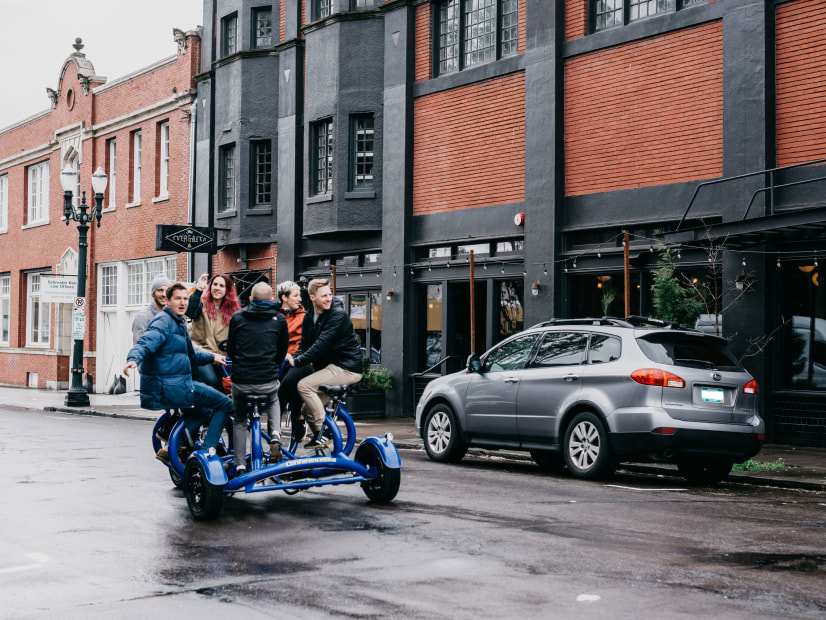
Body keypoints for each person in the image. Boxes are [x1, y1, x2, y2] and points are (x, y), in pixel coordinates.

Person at [124, 282, 234, 459]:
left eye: (185, 299)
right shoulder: (163, 322)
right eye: (178, 299)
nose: (183, 303)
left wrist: (213, 357)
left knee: (205, 411)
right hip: (173, 384)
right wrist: (133, 359)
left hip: (175, 382)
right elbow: (146, 342)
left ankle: (172, 447)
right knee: (226, 404)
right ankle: (208, 451)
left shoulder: (178, 322)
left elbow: (189, 356)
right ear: (168, 301)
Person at [286, 278, 363, 448]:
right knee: (307, 410)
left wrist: (296, 362)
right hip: (330, 368)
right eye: (324, 296)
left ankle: (325, 432)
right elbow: (304, 346)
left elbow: (320, 347)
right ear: (312, 297)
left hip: (346, 367)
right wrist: (293, 358)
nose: (329, 298)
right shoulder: (308, 317)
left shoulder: (338, 315)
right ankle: (328, 448)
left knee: (304, 386)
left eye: (330, 294)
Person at [226, 282, 289, 472]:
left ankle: (239, 465)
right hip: (267, 380)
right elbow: (281, 352)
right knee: (273, 399)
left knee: (238, 419)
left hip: (242, 382)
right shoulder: (279, 319)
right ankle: (276, 435)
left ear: (251, 299)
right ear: (271, 299)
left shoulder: (237, 317)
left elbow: (231, 350)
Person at [186, 272, 241, 392]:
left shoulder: (234, 311)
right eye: (215, 284)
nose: (217, 288)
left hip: (224, 357)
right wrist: (199, 289)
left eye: (222, 286)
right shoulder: (201, 304)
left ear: (227, 290)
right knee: (212, 381)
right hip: (203, 353)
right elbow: (189, 311)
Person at [275, 280, 311, 442]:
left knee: (286, 384)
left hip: (302, 361)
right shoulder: (275, 317)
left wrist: (295, 357)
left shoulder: (305, 317)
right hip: (281, 361)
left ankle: (299, 417)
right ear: (284, 297)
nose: (300, 299)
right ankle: (274, 434)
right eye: (296, 296)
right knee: (275, 393)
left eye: (300, 295)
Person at [131, 275, 169, 344]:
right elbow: (138, 347)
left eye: (166, 291)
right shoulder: (142, 317)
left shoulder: (169, 317)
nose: (164, 294)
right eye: (160, 290)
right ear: (153, 293)